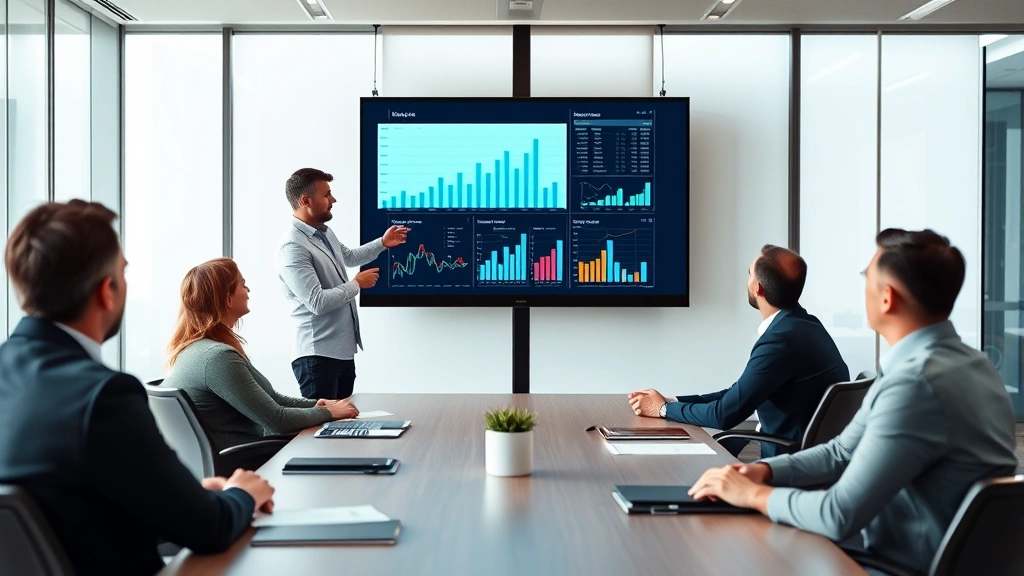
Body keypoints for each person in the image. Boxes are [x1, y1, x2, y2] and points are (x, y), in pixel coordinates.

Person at [688, 229, 1017, 574]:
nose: (862, 287)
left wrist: (751, 495)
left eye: (866, 276)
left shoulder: (915, 384)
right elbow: (841, 452)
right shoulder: (973, 365)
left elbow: (838, 515)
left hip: (894, 565)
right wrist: (764, 470)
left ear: (887, 298)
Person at [0, 201, 275, 576]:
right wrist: (244, 493)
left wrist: (188, 494)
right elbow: (209, 529)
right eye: (123, 272)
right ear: (107, 291)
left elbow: (70, 503)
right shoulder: (104, 396)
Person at [628, 244, 849, 457]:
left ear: (758, 288)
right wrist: (672, 402)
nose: (748, 278)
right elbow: (738, 393)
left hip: (783, 463)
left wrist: (663, 409)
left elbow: (725, 415)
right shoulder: (805, 325)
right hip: (809, 456)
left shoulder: (779, 341)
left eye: (749, 273)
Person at [164, 258, 359, 462]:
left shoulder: (193, 350)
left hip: (233, 458)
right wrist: (327, 413)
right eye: (242, 284)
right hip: (244, 462)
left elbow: (272, 398)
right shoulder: (218, 358)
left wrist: (316, 405)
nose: (248, 291)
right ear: (227, 299)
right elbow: (277, 420)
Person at [277, 168, 410, 400]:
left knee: (342, 430)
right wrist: (356, 284)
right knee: (322, 432)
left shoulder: (323, 233)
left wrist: (383, 243)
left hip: (341, 355)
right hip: (317, 358)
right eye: (326, 195)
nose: (333, 200)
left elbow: (348, 257)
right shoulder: (293, 248)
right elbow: (317, 302)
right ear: (305, 200)